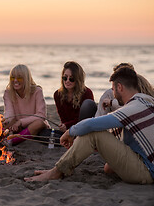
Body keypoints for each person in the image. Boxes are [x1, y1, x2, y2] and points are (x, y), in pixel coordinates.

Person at [24, 67, 154, 184]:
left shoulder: (133, 107)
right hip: (144, 164)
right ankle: (58, 169)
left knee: (93, 133)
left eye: (113, 89)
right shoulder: (146, 102)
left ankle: (56, 172)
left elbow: (93, 124)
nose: (113, 94)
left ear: (120, 87)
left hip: (148, 172)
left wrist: (70, 132)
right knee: (108, 168)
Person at [2, 64, 48, 146]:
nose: (15, 80)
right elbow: (10, 113)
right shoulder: (8, 92)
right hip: (17, 127)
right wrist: (5, 121)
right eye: (13, 77)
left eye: (19, 77)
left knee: (40, 122)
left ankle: (12, 141)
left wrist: (21, 122)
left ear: (26, 79)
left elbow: (41, 115)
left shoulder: (37, 91)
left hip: (34, 126)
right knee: (1, 123)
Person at [54, 61, 96, 133]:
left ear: (78, 79)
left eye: (71, 78)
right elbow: (63, 118)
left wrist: (67, 125)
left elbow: (85, 118)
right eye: (65, 77)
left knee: (89, 103)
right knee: (43, 133)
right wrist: (64, 126)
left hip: (83, 129)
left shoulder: (87, 93)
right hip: (68, 131)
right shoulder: (57, 94)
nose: (67, 81)